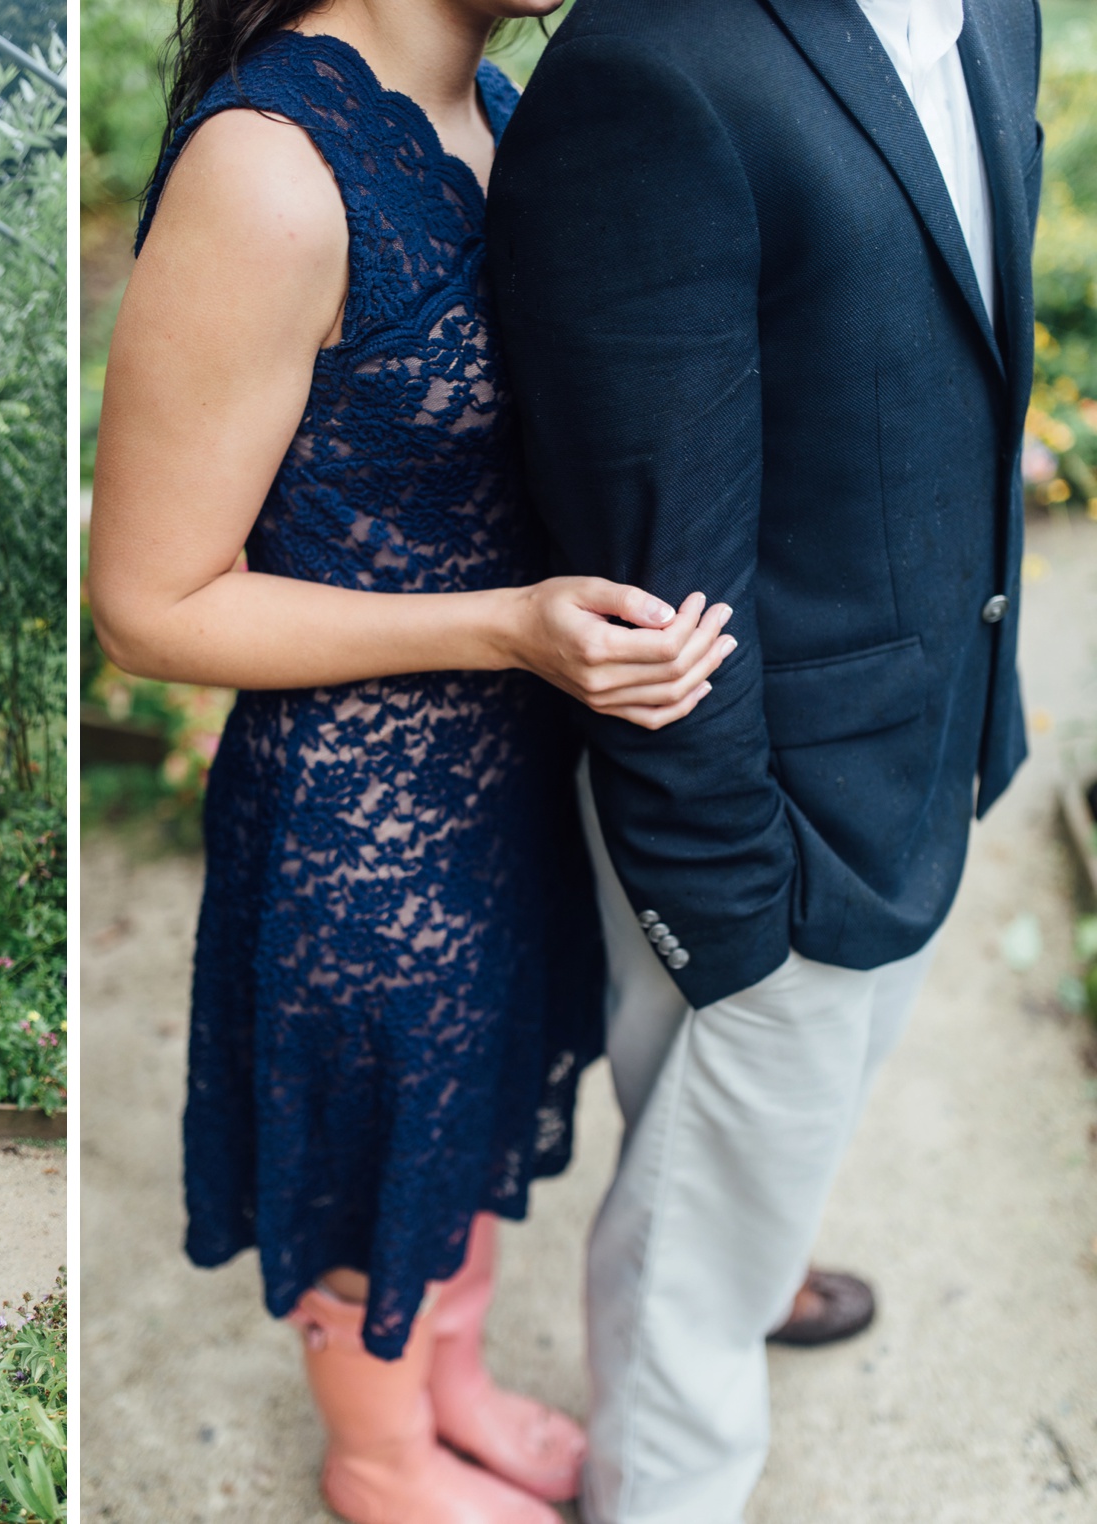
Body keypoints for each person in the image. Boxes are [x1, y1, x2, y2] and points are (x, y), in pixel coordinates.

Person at [84, 0, 739, 1517]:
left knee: (468, 1104)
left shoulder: (497, 106)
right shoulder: (270, 170)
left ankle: (449, 1386)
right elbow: (149, 602)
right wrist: (508, 628)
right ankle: (376, 1462)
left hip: (512, 769)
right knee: (383, 1132)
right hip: (358, 804)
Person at [484, 0, 1041, 1517]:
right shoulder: (653, 68)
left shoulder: (997, 11)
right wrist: (731, 900)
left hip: (928, 740)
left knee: (764, 1166)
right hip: (768, 812)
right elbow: (649, 557)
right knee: (694, 1249)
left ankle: (759, 1267)